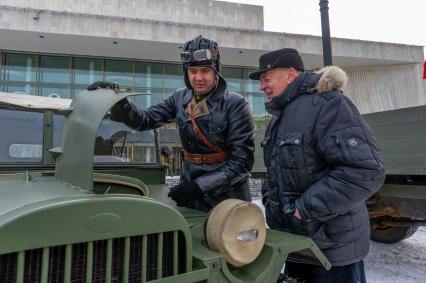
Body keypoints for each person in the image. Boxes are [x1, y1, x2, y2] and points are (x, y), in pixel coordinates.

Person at [249, 48, 385, 283]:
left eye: (265, 78)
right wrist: (272, 203)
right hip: (295, 244)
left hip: (331, 250)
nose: (262, 86)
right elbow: (277, 172)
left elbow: (365, 171)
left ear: (290, 74)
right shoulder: (280, 116)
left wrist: (304, 210)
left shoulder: (329, 104)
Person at [88, 35, 255, 211]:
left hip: (227, 197)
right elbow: (144, 120)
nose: (198, 78)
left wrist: (201, 186)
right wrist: (118, 100)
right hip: (188, 191)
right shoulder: (179, 98)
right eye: (192, 71)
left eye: (205, 71)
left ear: (216, 71)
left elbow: (242, 163)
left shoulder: (235, 104)